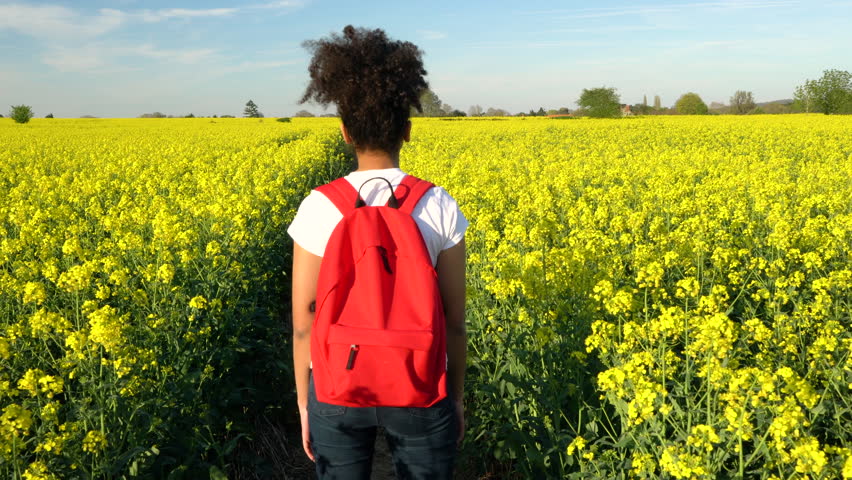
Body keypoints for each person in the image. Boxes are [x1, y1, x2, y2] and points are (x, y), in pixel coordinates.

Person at [287, 26, 468, 479]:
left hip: (338, 385)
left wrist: (306, 404)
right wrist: (456, 400)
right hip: (422, 384)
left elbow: (304, 321)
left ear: (345, 132)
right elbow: (454, 320)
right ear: (406, 131)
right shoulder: (439, 204)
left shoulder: (318, 207)